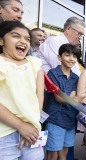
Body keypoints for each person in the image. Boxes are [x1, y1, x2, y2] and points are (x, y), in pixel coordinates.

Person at [0, 21, 44, 159]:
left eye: (27, 39)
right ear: (1, 41)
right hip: (4, 134)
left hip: (32, 133)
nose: (23, 41)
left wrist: (33, 126)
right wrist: (20, 126)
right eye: (16, 36)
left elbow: (39, 96)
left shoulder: (35, 64)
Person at [45, 43, 79, 160]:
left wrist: (73, 97)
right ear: (59, 57)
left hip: (70, 120)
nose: (71, 59)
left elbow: (73, 96)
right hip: (55, 119)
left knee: (63, 154)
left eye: (74, 56)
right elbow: (59, 98)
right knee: (52, 154)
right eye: (67, 55)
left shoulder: (76, 77)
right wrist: (73, 98)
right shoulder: (53, 73)